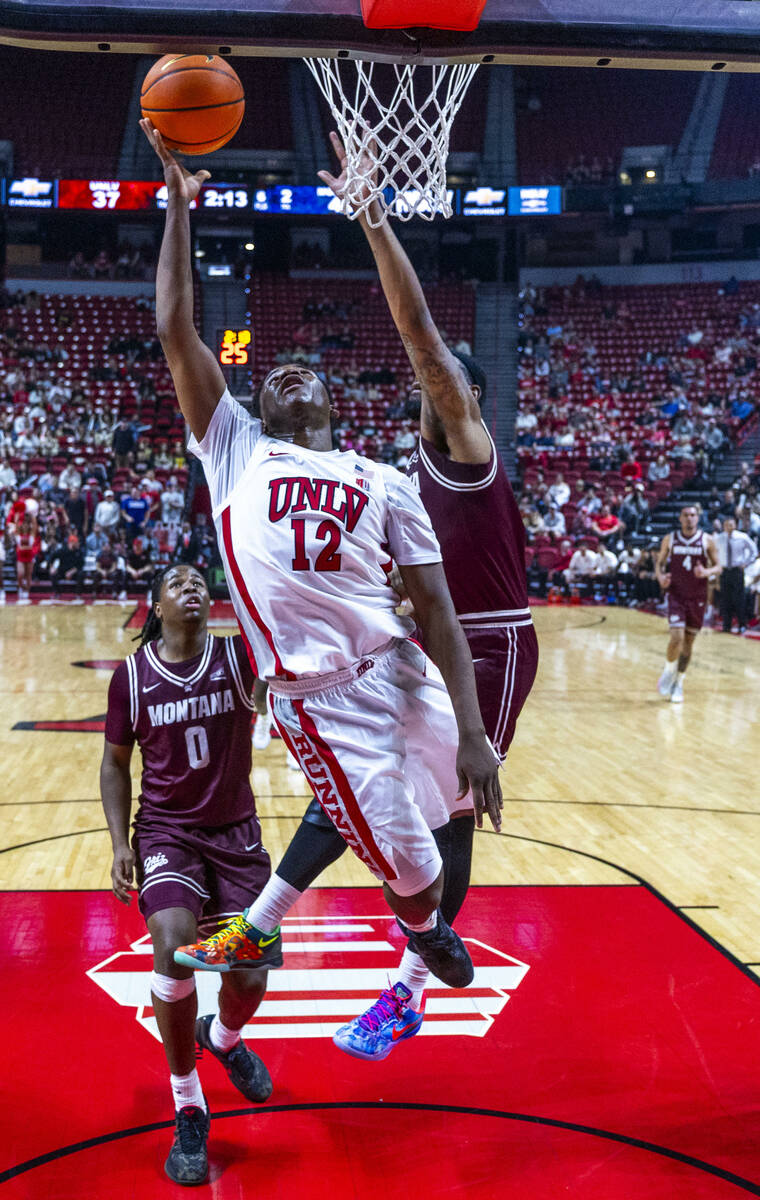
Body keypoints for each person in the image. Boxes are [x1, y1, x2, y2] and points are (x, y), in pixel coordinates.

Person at [140, 120, 501, 1007]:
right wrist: (180, 209)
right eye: (276, 373)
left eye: (308, 370)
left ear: (334, 403)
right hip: (319, 695)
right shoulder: (234, 450)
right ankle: (420, 931)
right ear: (253, 403)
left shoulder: (383, 480)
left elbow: (441, 614)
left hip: (402, 665)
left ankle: (357, 924)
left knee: (453, 814)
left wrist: (475, 728)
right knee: (407, 868)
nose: (291, 372)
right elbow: (175, 325)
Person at [99, 564, 273, 1185]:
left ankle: (223, 1038)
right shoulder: (133, 678)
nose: (191, 587)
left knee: (249, 974)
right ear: (157, 606)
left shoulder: (241, 657)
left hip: (236, 835)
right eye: (177, 583)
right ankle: (189, 1103)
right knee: (175, 951)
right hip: (169, 837)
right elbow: (114, 765)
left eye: (199, 580)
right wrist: (122, 843)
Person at [655, 505, 721, 703]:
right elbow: (659, 563)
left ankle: (679, 682)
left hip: (697, 597)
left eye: (693, 515)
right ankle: (668, 669)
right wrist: (660, 578)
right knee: (676, 637)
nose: (689, 518)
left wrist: (707, 573)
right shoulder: (670, 539)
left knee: (689, 643)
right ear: (680, 518)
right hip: (676, 594)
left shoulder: (707, 540)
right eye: (686, 515)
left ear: (698, 518)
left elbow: (718, 566)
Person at [714, 516, 757, 634]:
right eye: (727, 525)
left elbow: (754, 551)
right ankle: (726, 625)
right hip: (724, 571)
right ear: (724, 526)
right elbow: (715, 553)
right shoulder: (719, 538)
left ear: (736, 525)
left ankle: (742, 624)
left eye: (731, 524)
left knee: (739, 599)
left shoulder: (742, 537)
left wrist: (746, 563)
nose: (729, 527)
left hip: (737, 570)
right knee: (725, 599)